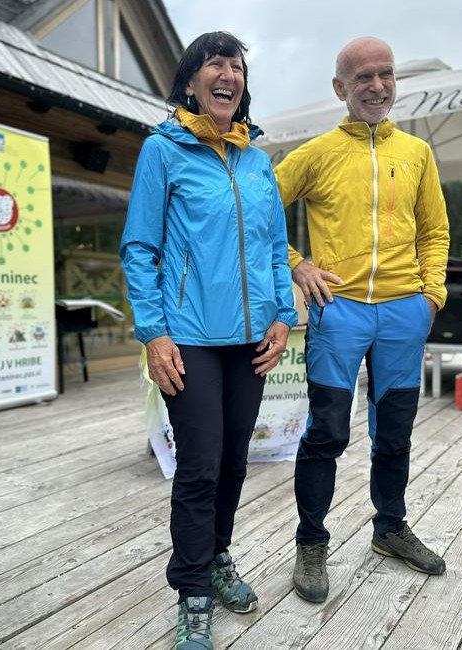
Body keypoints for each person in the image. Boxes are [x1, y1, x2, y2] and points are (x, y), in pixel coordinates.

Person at [120, 32, 297, 649]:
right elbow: (139, 248)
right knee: (198, 466)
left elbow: (276, 248)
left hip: (252, 340)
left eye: (237, 66)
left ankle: (217, 556)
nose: (228, 74)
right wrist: (154, 332)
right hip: (188, 337)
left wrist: (283, 316)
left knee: (233, 462)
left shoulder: (256, 160)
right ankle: (193, 592)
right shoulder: (162, 150)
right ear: (191, 82)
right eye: (214, 64)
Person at [273, 36, 450, 604]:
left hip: (404, 313)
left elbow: (435, 229)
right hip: (339, 310)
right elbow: (260, 212)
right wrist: (298, 265)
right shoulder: (317, 152)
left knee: (394, 432)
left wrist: (431, 297)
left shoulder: (417, 153)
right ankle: (311, 541)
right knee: (326, 432)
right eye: (364, 77)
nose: (377, 86)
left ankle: (389, 528)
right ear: (340, 88)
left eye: (386, 74)